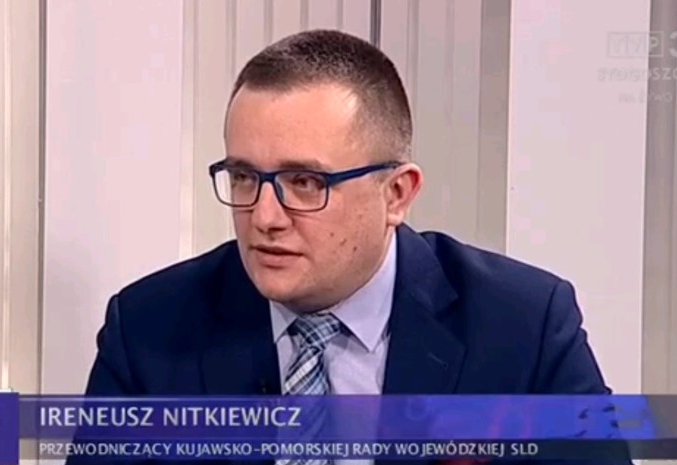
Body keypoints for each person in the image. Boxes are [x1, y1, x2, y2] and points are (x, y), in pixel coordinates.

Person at [77, 30, 629, 464]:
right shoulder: (149, 330)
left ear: (396, 194)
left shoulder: (523, 329)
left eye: (305, 182)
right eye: (244, 177)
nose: (264, 217)